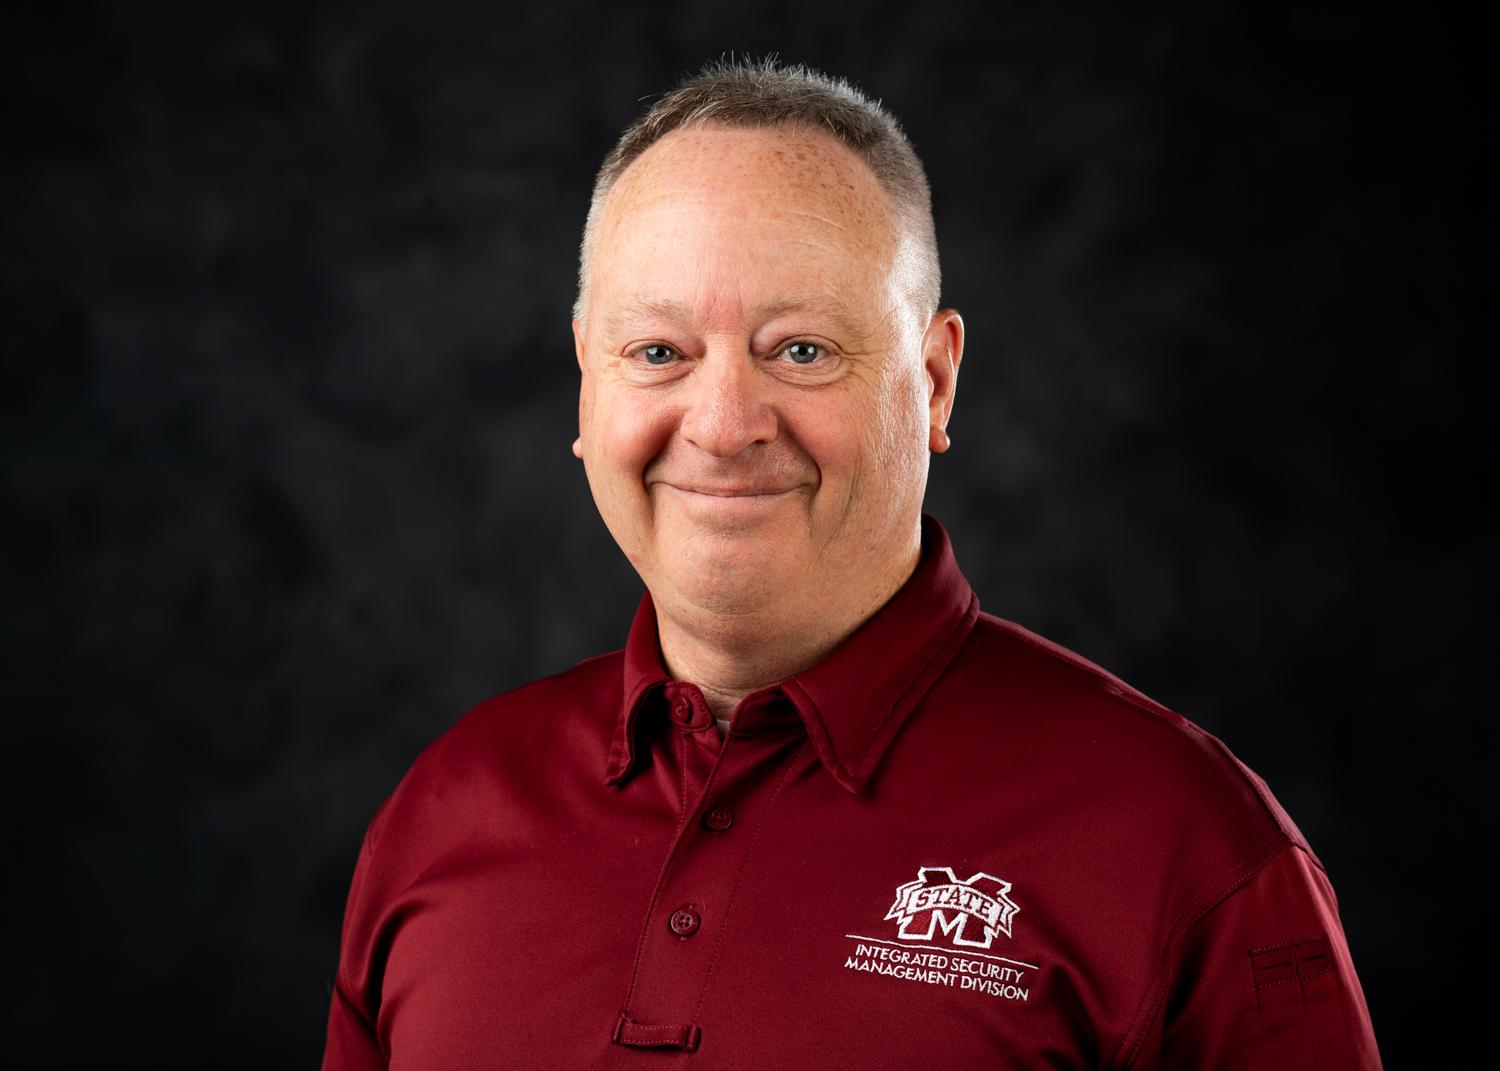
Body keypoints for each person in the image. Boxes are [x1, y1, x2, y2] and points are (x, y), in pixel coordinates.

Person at [321, 59, 1382, 1069]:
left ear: (935, 382)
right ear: (585, 387)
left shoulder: (1189, 850)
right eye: (658, 352)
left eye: (801, 350)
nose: (725, 424)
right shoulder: (445, 810)